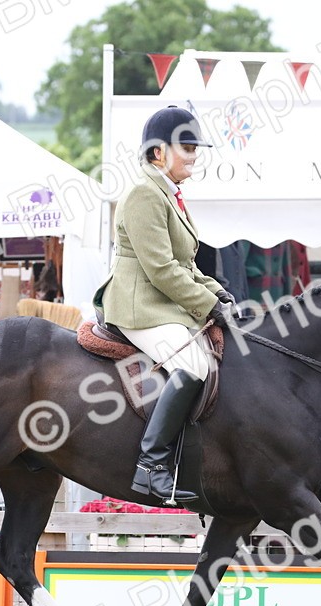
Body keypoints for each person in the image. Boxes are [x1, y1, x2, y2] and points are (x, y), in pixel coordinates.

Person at [93, 105, 235, 506]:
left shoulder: (168, 194)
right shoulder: (143, 194)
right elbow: (160, 270)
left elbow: (185, 265)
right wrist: (208, 306)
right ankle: (151, 464)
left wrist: (218, 291)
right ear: (158, 152)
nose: (194, 154)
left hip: (164, 303)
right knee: (192, 365)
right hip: (141, 307)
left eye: (195, 147)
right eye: (186, 147)